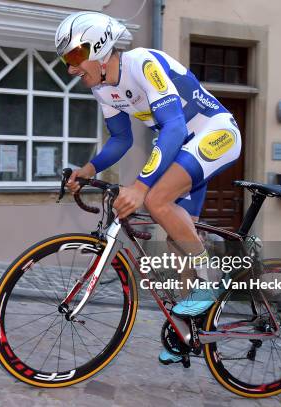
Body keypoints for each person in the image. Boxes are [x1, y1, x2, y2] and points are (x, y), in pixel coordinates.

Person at [56, 11, 241, 364]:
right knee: (177, 240)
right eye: (66, 60)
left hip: (214, 133)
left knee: (156, 200)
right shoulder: (103, 87)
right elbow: (121, 139)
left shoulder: (142, 63)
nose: (70, 69)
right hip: (183, 147)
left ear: (97, 47)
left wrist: (141, 186)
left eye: (74, 57)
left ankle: (211, 278)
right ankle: (188, 333)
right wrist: (88, 169)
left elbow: (172, 126)